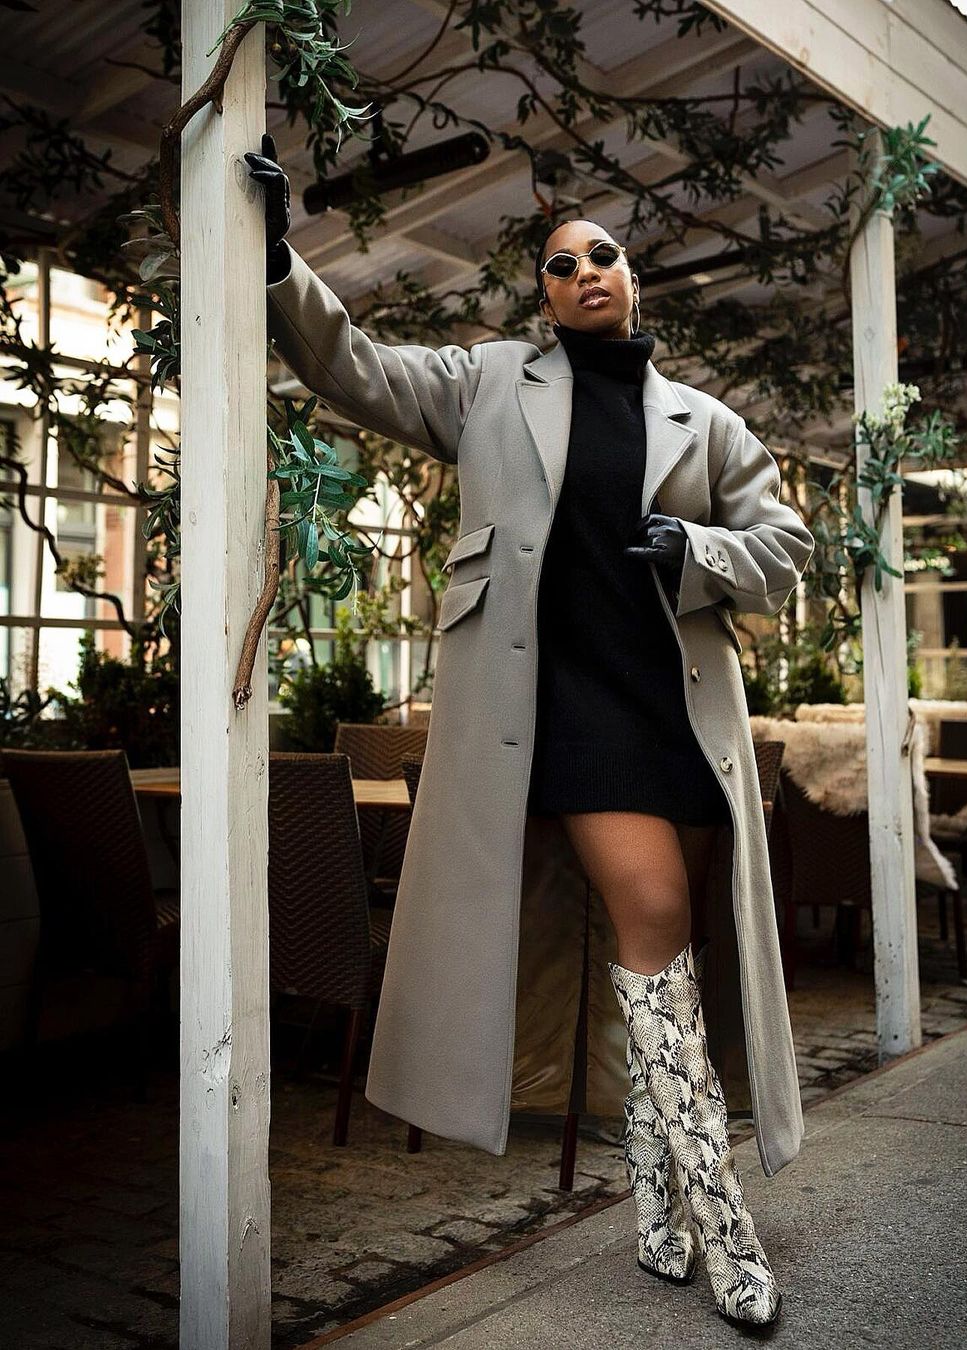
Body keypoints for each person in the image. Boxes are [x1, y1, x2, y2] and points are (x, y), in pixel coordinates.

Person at [246, 134, 814, 1329]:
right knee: (653, 917)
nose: (586, 271)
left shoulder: (704, 421)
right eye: (561, 265)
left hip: (676, 718)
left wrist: (698, 547)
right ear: (543, 299)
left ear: (632, 279)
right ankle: (726, 1229)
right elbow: (356, 367)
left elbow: (785, 549)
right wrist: (278, 260)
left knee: (664, 955)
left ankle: (656, 1216)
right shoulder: (490, 384)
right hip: (564, 715)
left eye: (604, 255)